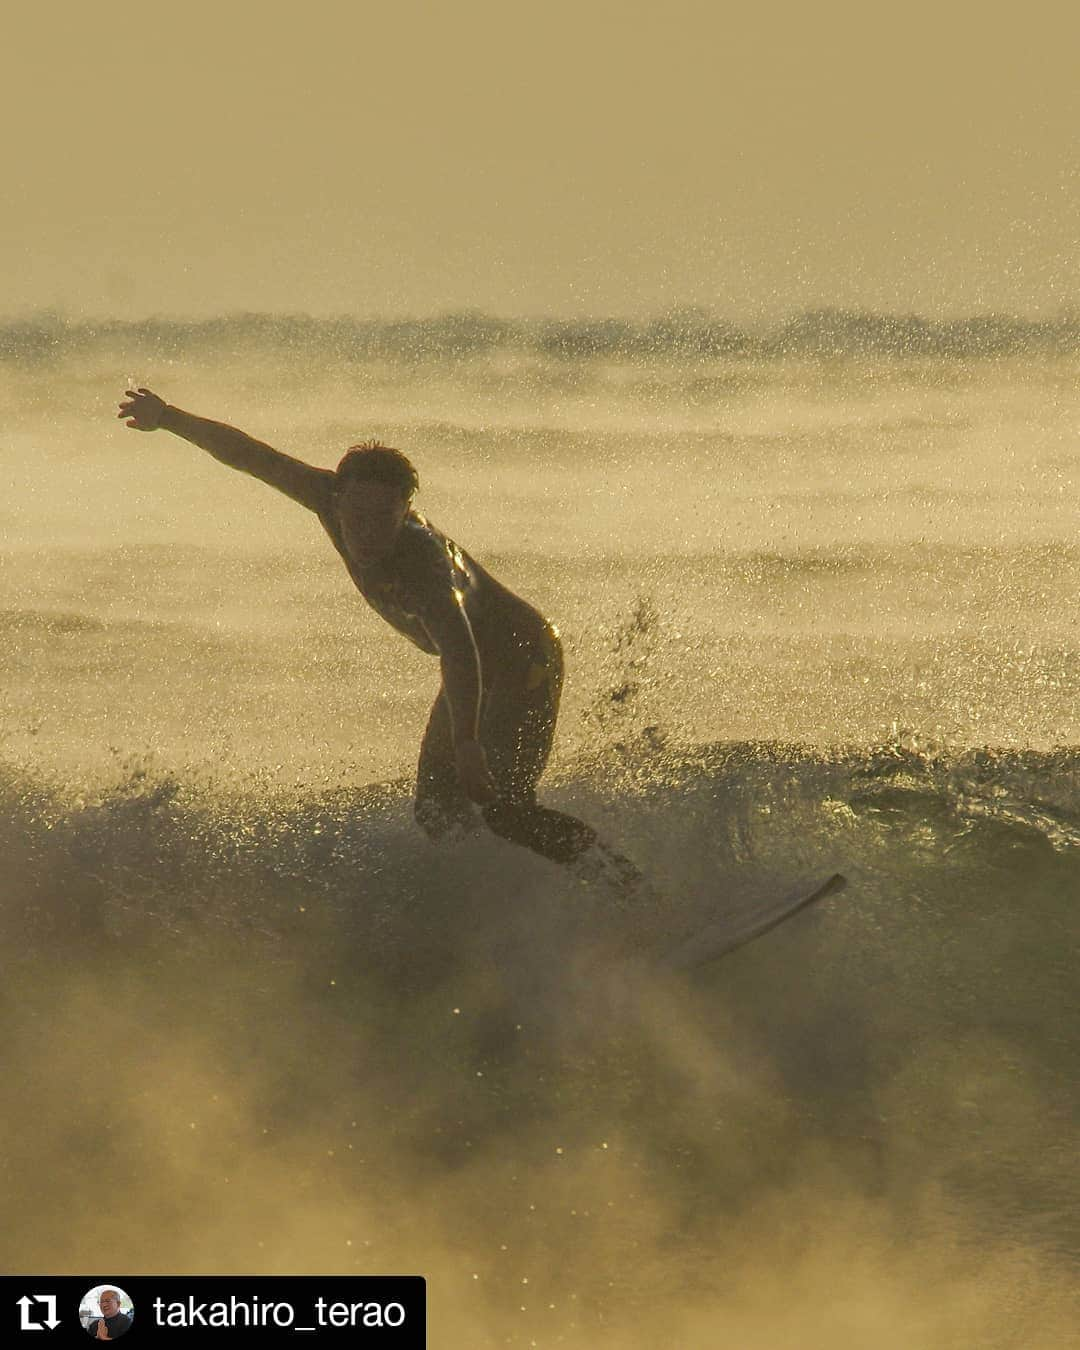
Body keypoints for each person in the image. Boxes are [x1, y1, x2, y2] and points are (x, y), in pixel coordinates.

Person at [117, 388, 648, 898]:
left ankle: (635, 892)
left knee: (508, 810)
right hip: (474, 669)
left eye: (383, 519)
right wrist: (168, 418)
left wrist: (467, 742)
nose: (366, 532)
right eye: (357, 516)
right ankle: (499, 904)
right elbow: (251, 456)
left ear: (406, 509)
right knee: (438, 811)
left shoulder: (423, 567)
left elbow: (461, 651)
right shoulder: (324, 498)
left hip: (519, 656)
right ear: (338, 497)